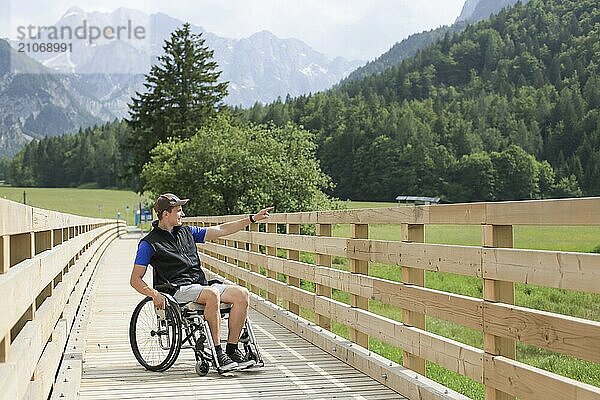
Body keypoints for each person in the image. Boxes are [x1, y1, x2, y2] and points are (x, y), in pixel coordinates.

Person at [130, 193, 272, 372]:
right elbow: (135, 279)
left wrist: (252, 219)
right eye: (179, 211)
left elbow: (221, 229)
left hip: (200, 285)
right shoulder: (149, 244)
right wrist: (154, 294)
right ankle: (218, 352)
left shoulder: (187, 232)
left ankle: (232, 350)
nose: (182, 214)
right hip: (176, 289)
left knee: (242, 294)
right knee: (211, 294)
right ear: (166, 214)